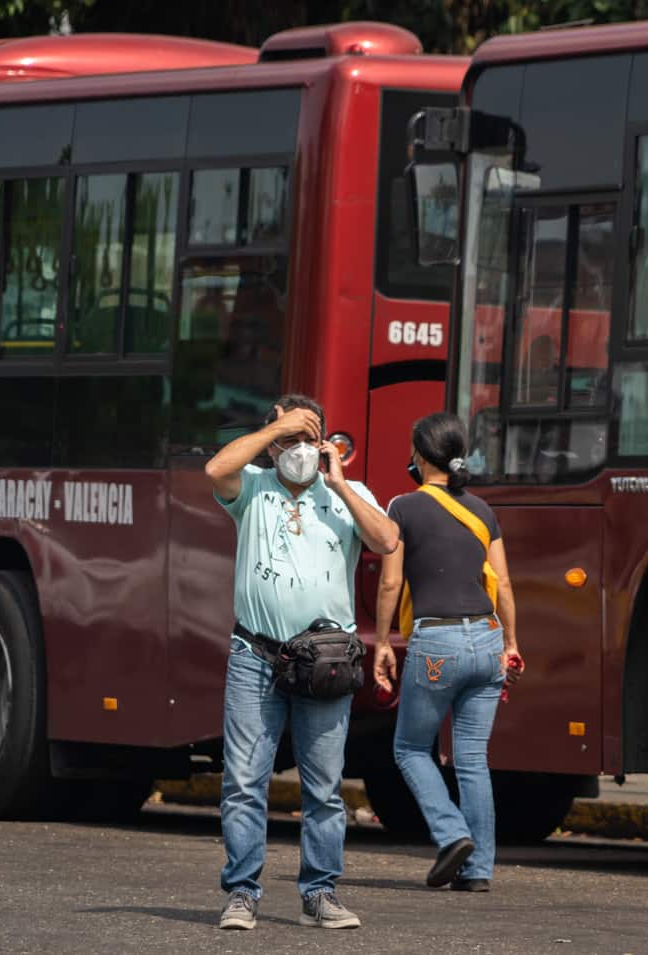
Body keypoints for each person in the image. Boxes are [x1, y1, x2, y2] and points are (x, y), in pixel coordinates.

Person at [204, 394, 399, 931]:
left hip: (324, 663)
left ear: (323, 444)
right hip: (255, 656)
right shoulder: (252, 487)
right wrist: (277, 430)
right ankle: (242, 892)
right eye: (286, 439)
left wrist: (337, 484)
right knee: (244, 781)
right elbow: (215, 468)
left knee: (324, 788)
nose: (295, 450)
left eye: (303, 438)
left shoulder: (348, 493)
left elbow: (387, 539)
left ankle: (321, 892)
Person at [372, 412, 523, 892]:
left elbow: (392, 580)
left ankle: (452, 833)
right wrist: (512, 645)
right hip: (486, 640)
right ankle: (478, 871)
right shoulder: (483, 510)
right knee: (472, 759)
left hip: (437, 641)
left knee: (411, 749)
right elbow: (503, 589)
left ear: (419, 456)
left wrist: (381, 641)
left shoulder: (403, 507)